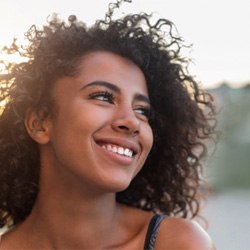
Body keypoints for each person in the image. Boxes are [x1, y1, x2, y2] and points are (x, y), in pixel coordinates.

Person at [0, 0, 216, 249]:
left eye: (142, 110)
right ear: (40, 123)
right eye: (103, 96)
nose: (132, 122)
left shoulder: (177, 243)